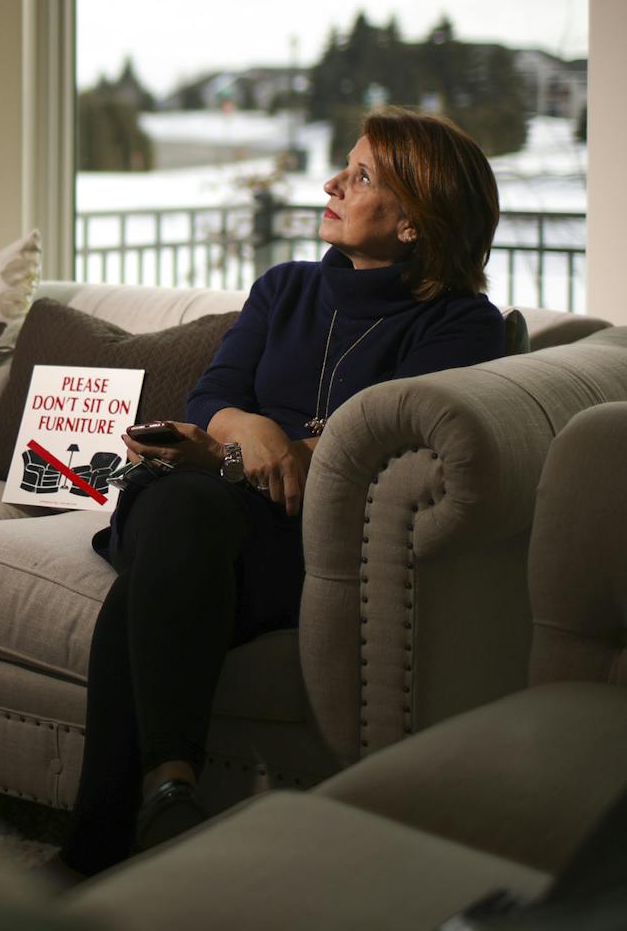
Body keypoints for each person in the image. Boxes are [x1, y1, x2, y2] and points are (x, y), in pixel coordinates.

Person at [58, 106, 507, 878]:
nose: (332, 182)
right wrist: (248, 432)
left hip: (304, 541)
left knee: (154, 571)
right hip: (201, 510)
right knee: (181, 504)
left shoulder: (463, 327)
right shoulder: (285, 289)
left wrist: (246, 448)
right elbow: (213, 396)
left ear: (412, 223)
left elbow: (367, 454)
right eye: (346, 165)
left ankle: (102, 847)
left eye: (362, 177)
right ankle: (166, 799)